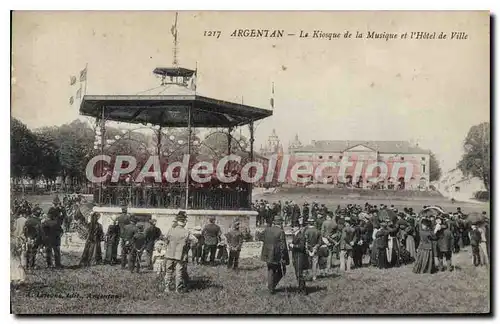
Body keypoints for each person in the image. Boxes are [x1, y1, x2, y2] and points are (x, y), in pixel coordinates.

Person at [163, 211, 198, 293]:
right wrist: (188, 246)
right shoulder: (186, 232)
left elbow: (165, 239)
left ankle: (167, 288)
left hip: (169, 254)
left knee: (168, 272)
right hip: (180, 256)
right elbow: (195, 241)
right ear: (184, 222)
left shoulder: (171, 230)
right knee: (179, 272)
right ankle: (177, 289)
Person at [260, 215, 289, 294]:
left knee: (270, 270)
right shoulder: (281, 232)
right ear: (280, 222)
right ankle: (271, 286)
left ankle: (270, 287)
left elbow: (261, 238)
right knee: (282, 270)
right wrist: (283, 257)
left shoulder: (267, 230)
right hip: (276, 255)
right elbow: (283, 246)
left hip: (267, 254)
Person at [289, 216, 309, 295]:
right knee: (297, 273)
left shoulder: (301, 236)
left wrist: (292, 245)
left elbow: (301, 247)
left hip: (300, 257)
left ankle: (303, 290)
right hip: (296, 257)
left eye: (293, 227)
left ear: (297, 227)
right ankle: (300, 288)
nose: (292, 228)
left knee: (299, 274)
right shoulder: (296, 235)